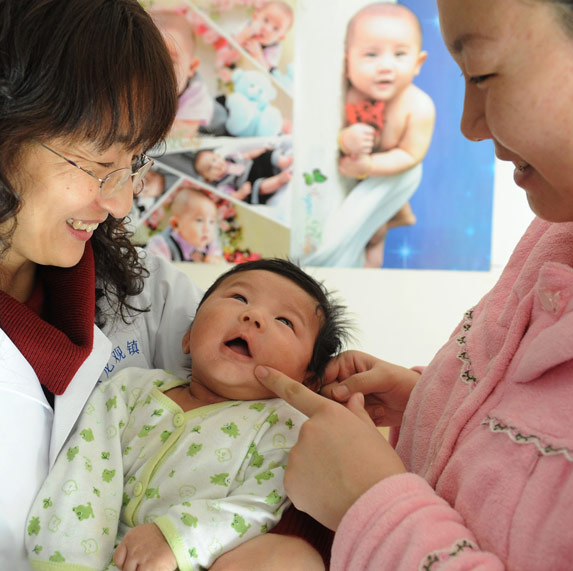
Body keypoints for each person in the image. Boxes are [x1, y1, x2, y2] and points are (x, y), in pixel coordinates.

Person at [253, 0, 573, 568]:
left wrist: (368, 502)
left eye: (483, 73)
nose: (468, 124)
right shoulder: (557, 229)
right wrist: (431, 404)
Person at [0, 1, 332, 569]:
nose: (121, 202)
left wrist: (293, 532)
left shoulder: (139, 287)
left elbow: (262, 393)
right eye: (99, 160)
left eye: (133, 163)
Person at [26, 259, 350, 570]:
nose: (254, 316)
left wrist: (175, 537)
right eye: (239, 297)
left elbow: (259, 506)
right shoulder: (127, 390)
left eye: (285, 321)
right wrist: (69, 558)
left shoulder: (286, 429)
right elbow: (84, 468)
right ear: (188, 336)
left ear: (306, 381)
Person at [304, 2, 435, 268]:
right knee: (367, 229)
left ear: (418, 63)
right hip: (357, 171)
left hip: (393, 171)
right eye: (371, 55)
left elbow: (410, 155)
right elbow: (335, 136)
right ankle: (396, 217)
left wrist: (370, 166)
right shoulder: (350, 95)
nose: (385, 66)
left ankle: (371, 268)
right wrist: (345, 139)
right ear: (347, 61)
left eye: (399, 55)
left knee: (374, 238)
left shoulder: (419, 107)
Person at [151, 8, 227, 140]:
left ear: (191, 67)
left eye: (170, 62)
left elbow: (181, 134)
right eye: (147, 60)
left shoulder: (196, 94)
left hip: (217, 127)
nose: (156, 70)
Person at [145, 185, 224, 263]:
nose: (207, 229)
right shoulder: (161, 244)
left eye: (211, 222)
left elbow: (218, 257)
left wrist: (215, 259)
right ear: (176, 224)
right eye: (199, 220)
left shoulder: (210, 244)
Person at [194, 146, 293, 204]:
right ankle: (280, 179)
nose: (215, 165)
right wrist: (241, 193)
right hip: (250, 183)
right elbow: (232, 196)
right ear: (208, 179)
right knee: (258, 186)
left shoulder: (230, 158)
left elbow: (248, 156)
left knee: (266, 155)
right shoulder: (222, 186)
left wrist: (261, 150)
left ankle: (284, 162)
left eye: (214, 160)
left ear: (218, 156)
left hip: (255, 165)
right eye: (209, 168)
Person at [234, 1, 294, 73]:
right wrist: (247, 33)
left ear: (280, 38)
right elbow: (231, 43)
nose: (267, 29)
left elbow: (266, 73)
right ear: (255, 15)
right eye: (265, 20)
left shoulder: (274, 48)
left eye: (275, 28)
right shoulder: (248, 25)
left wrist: (258, 54)